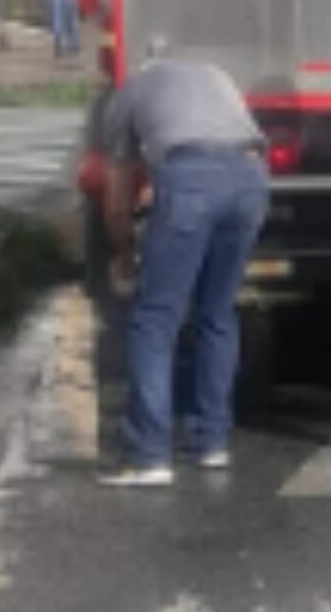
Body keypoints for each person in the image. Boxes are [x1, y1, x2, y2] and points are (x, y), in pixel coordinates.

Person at [96, 59, 269, 488]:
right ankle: (212, 442)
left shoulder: (126, 95)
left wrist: (124, 253)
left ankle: (149, 455)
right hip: (251, 179)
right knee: (218, 313)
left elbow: (116, 203)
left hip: (189, 181)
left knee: (155, 320)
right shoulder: (214, 75)